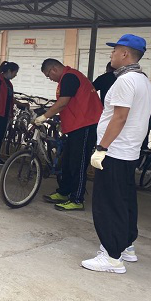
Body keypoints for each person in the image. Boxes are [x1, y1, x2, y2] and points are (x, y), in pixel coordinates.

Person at [85, 34, 151, 274]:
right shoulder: (143, 80)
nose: (111, 55)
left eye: (114, 51)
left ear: (125, 53)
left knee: (108, 204)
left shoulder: (125, 81)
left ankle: (112, 256)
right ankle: (126, 246)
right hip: (129, 151)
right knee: (124, 200)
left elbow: (120, 117)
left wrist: (101, 148)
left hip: (114, 151)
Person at [36, 59, 102, 211]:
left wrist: (44, 117)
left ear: (53, 69)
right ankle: (64, 192)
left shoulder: (70, 77)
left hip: (85, 125)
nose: (50, 79)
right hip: (76, 126)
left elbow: (63, 103)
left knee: (78, 163)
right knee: (66, 162)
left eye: (48, 75)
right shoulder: (68, 77)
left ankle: (77, 199)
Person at [0, 61, 20, 166]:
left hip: (4, 114)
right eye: (15, 72)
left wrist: (20, 104)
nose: (15, 75)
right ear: (9, 71)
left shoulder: (8, 83)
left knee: (0, 136)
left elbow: (10, 98)